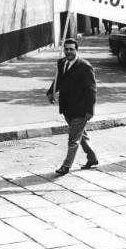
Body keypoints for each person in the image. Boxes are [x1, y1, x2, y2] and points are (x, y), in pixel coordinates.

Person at [47, 38, 98, 175]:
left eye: (71, 49)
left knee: (73, 139)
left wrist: (90, 110)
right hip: (67, 108)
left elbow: (91, 90)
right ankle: (92, 158)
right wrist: (51, 92)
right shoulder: (61, 62)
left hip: (81, 109)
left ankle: (66, 166)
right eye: (66, 49)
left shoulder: (85, 66)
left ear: (77, 50)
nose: (68, 52)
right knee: (81, 136)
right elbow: (58, 79)